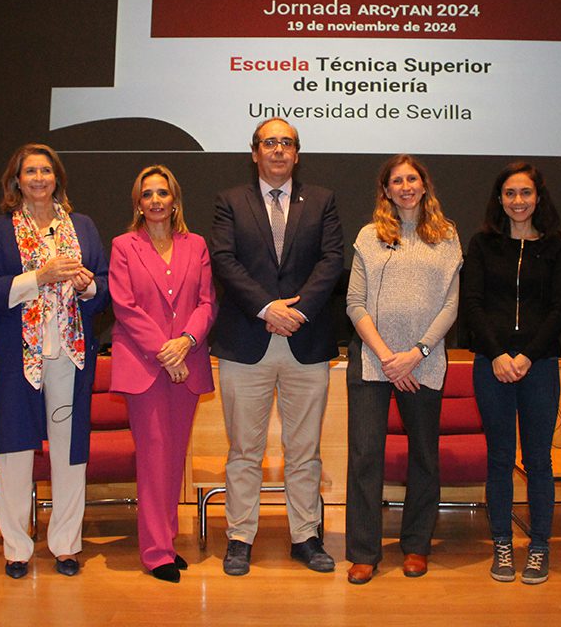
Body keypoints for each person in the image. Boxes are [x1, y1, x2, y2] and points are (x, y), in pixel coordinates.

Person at [209, 118, 344, 576]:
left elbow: (331, 260)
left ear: (297, 153)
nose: (279, 151)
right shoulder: (230, 201)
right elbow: (224, 261)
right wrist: (268, 308)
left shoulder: (322, 200)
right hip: (248, 340)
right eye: (270, 143)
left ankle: (305, 537)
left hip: (306, 340)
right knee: (244, 450)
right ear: (254, 152)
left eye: (287, 143)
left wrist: (297, 310)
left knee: (304, 450)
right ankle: (240, 538)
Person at [0, 143, 109, 579]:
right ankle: (16, 548)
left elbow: (104, 288)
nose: (38, 178)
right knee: (15, 451)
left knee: (69, 452)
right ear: (16, 180)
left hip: (71, 355)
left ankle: (66, 545)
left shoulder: (82, 227)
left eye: (45, 171)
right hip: (19, 357)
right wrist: (39, 277)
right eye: (29, 171)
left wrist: (87, 285)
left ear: (57, 178)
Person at [344, 155, 462, 585]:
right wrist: (387, 357)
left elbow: (451, 305)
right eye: (397, 180)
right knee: (364, 457)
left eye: (412, 178)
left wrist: (417, 352)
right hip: (374, 362)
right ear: (386, 190)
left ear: (424, 185)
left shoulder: (446, 236)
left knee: (424, 458)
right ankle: (363, 552)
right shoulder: (369, 236)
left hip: (423, 363)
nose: (406, 186)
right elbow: (354, 303)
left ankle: (416, 546)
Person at [461, 161, 561, 585]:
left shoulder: (555, 247)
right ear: (500, 199)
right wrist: (500, 355)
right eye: (510, 193)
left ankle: (539, 545)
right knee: (500, 459)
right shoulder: (483, 244)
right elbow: (472, 305)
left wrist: (526, 356)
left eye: (525, 193)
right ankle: (503, 544)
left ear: (538, 198)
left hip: (539, 367)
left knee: (539, 460)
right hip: (493, 367)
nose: (518, 201)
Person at [109, 165, 217, 583]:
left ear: (175, 201)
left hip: (185, 363)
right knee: (154, 458)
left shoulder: (197, 245)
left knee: (173, 458)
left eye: (163, 193)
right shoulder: (123, 245)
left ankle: (166, 541)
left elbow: (207, 303)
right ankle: (155, 552)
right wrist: (164, 350)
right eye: (147, 194)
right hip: (145, 366)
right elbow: (124, 305)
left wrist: (185, 342)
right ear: (138, 202)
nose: (155, 200)